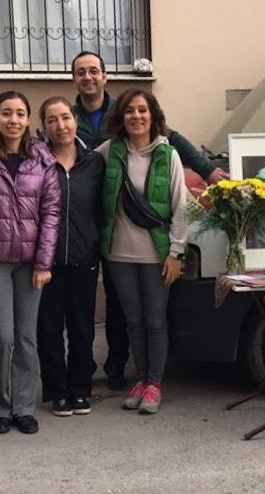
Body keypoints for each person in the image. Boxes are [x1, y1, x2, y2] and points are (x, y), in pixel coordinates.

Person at [71, 50, 228, 390]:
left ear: (105, 76)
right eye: (81, 72)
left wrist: (208, 170)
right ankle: (104, 373)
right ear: (75, 79)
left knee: (143, 315)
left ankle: (135, 374)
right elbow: (70, 166)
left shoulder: (133, 117)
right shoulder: (69, 119)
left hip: (148, 243)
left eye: (94, 71)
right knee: (115, 310)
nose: (88, 77)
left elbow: (176, 145)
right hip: (101, 232)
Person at [0, 91, 61, 435]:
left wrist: (44, 262)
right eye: (6, 113)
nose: (13, 120)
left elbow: (51, 213)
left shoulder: (43, 159)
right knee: (2, 336)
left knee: (26, 337)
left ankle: (23, 407)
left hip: (31, 262)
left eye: (20, 113)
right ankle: (0, 407)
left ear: (27, 119)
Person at [95, 89, 188, 414]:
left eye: (142, 110)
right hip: (119, 254)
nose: (136, 116)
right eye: (129, 111)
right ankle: (140, 381)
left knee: (155, 320)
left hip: (156, 255)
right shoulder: (110, 151)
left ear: (153, 115)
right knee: (133, 321)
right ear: (121, 117)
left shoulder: (168, 154)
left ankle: (154, 384)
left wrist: (175, 252)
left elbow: (180, 206)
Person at [37, 96, 104, 417]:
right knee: (48, 328)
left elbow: (102, 211)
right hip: (45, 263)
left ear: (75, 120)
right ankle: (56, 391)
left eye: (65, 117)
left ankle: (80, 388)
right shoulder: (35, 162)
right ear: (44, 127)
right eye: (52, 120)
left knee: (81, 327)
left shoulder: (94, 163)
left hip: (84, 258)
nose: (60, 125)